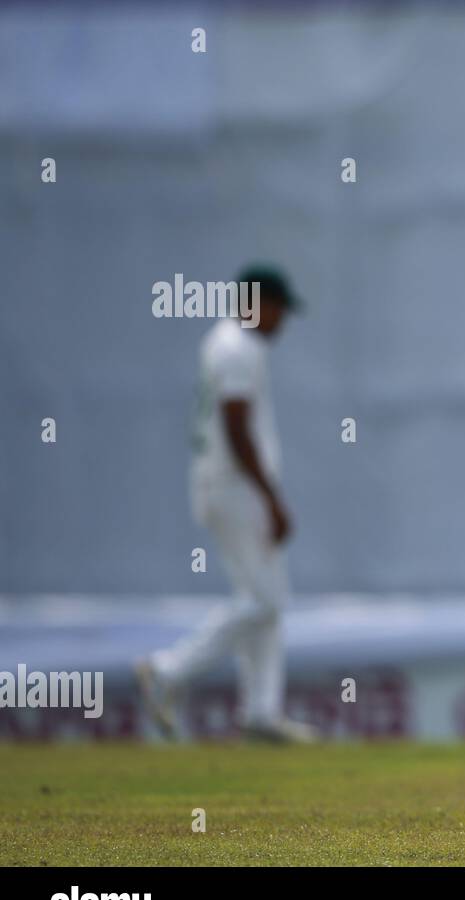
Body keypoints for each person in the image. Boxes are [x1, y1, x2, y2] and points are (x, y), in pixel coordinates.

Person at [136, 265, 317, 744]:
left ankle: (261, 712)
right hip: (235, 487)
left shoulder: (227, 342)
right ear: (258, 303)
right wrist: (271, 497)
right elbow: (237, 429)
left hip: (226, 485)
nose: (281, 322)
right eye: (278, 309)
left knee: (267, 599)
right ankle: (168, 670)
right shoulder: (237, 347)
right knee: (262, 599)